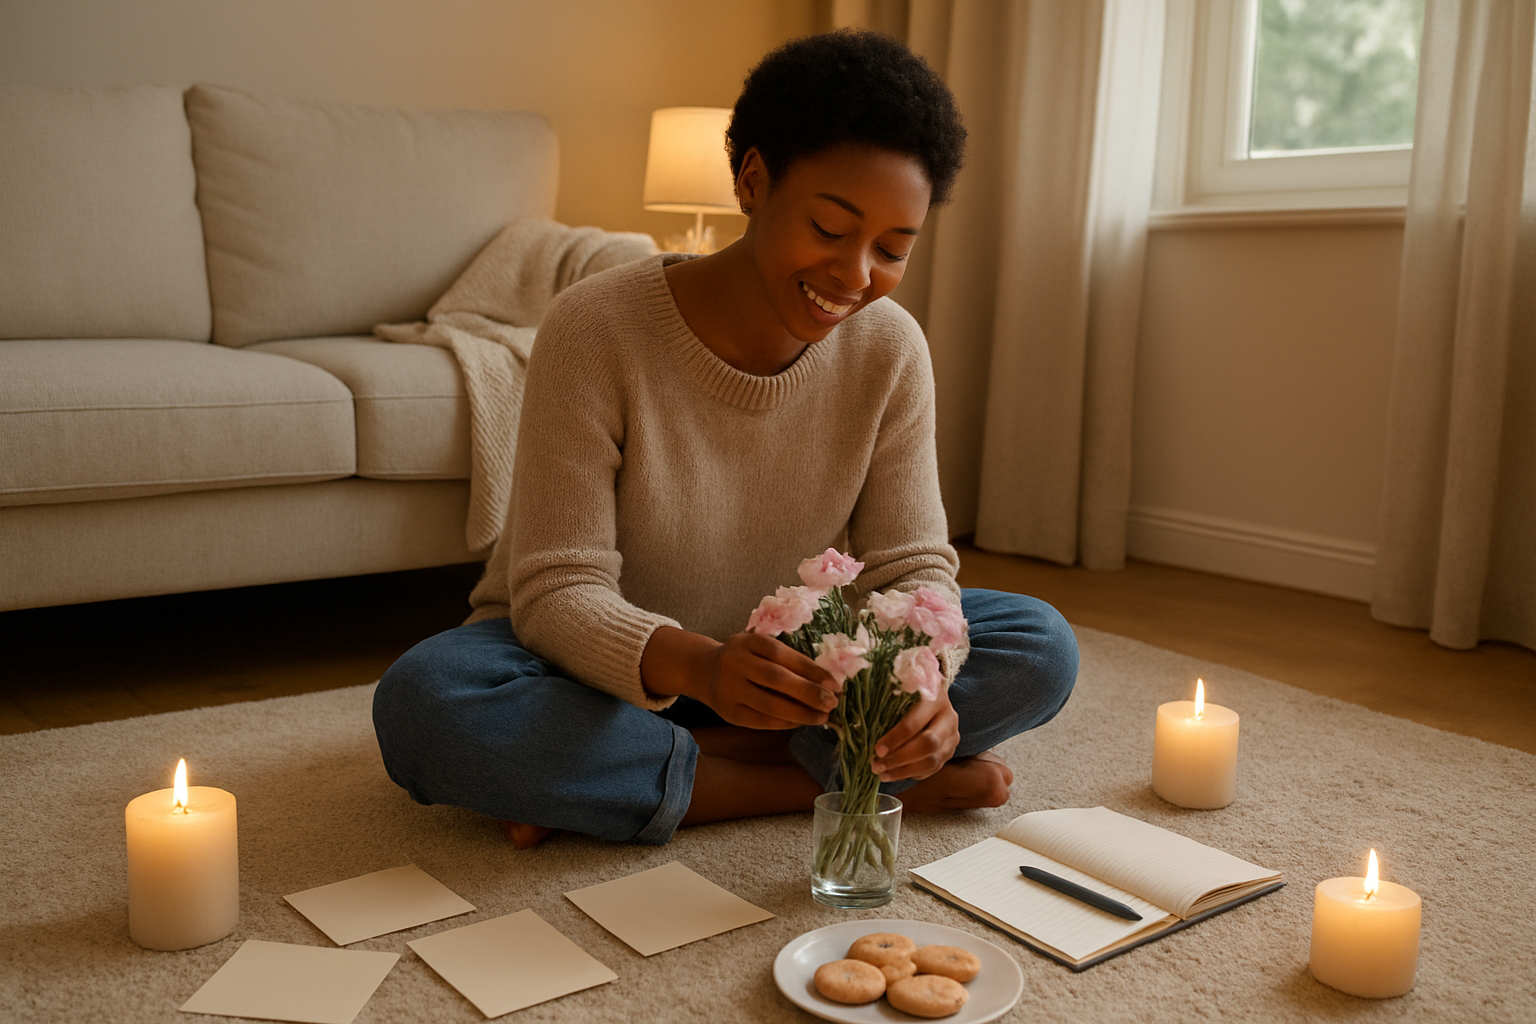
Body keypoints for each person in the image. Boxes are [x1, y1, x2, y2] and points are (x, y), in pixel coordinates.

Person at [372, 29, 1078, 849]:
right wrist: (702, 667)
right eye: (829, 227)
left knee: (1039, 643)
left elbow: (912, 567)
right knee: (427, 701)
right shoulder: (595, 328)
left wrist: (928, 685)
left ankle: (649, 779)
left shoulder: (890, 347)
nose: (856, 276)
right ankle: (850, 785)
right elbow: (555, 592)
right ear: (752, 181)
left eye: (892, 249)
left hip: (803, 670)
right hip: (606, 666)